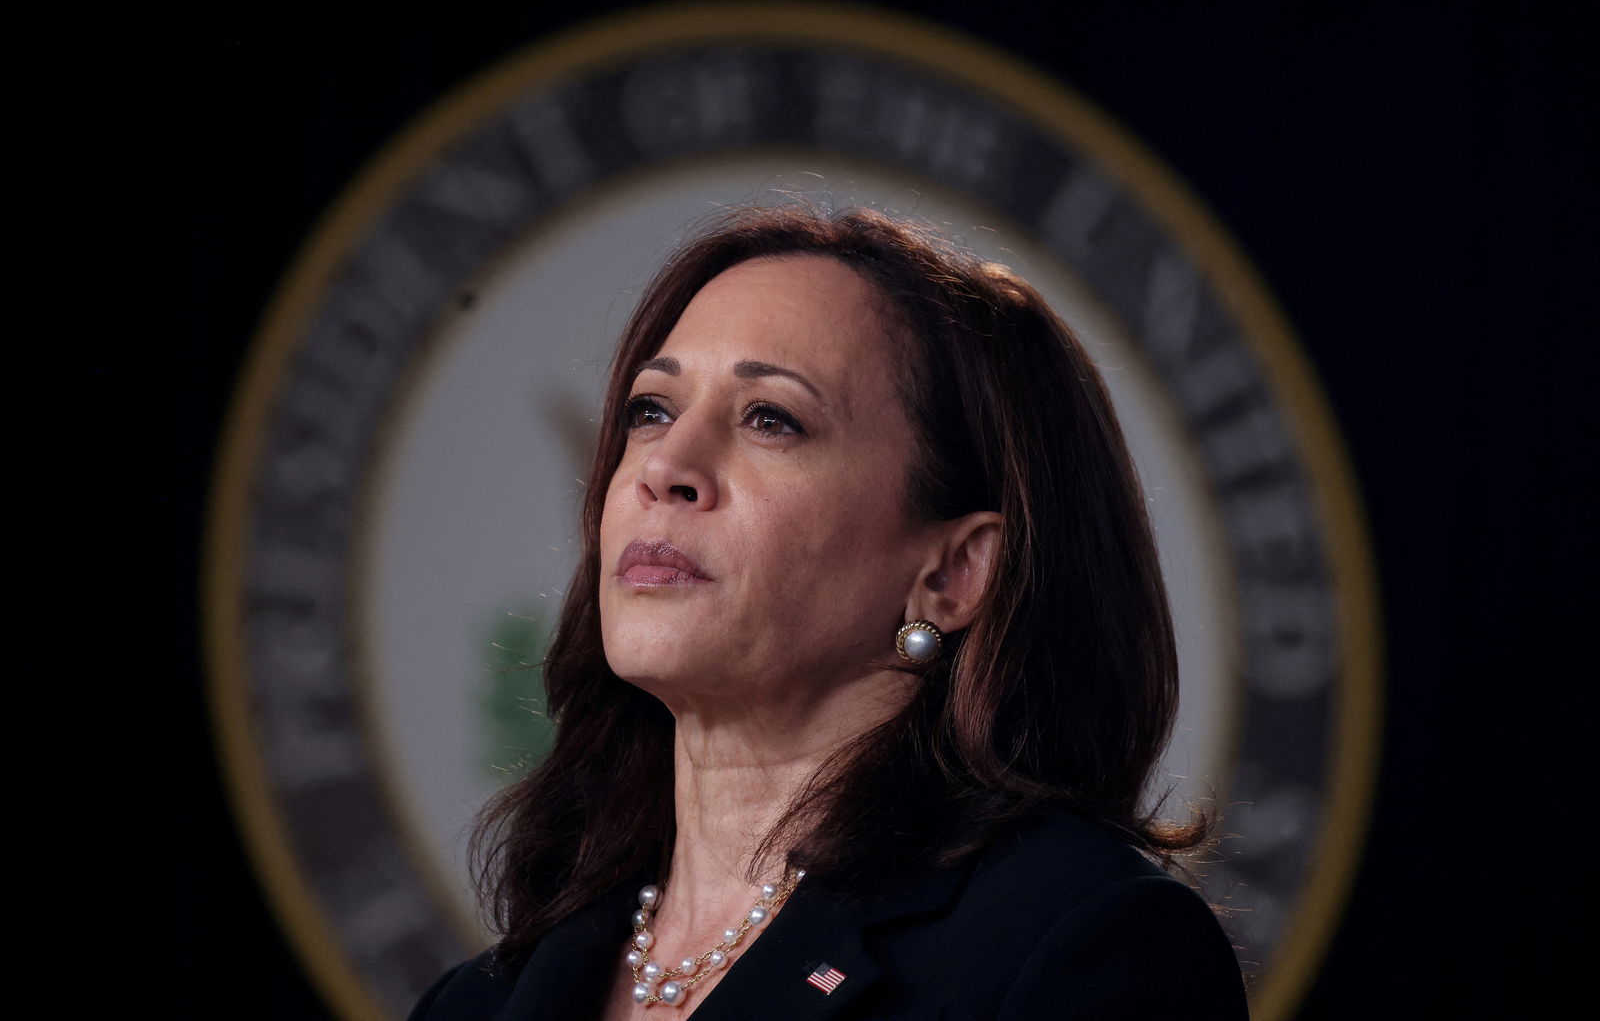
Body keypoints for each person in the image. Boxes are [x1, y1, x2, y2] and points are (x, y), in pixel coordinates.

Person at [410, 205, 1248, 1020]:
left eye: (771, 420)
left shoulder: (1076, 945)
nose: (665, 466)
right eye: (651, 410)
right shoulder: (475, 1002)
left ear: (950, 574)